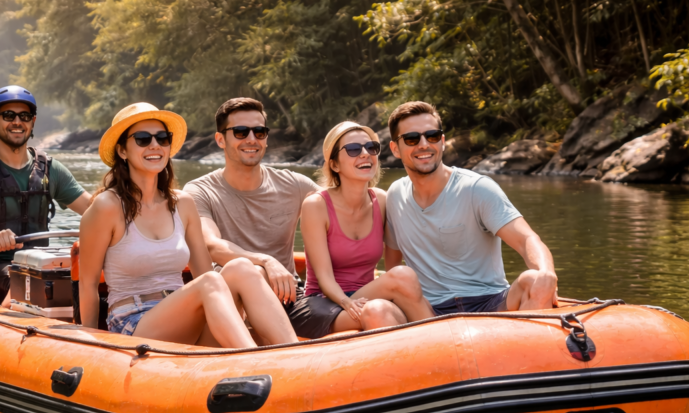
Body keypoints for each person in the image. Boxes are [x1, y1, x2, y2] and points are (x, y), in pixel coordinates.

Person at [78, 103, 296, 347]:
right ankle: (253, 359)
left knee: (242, 268)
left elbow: (204, 273)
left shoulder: (182, 203)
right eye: (142, 139)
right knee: (211, 282)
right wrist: (90, 344)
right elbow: (87, 285)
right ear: (122, 151)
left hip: (186, 318)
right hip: (134, 324)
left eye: (162, 138)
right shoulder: (106, 206)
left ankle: (293, 355)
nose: (155, 146)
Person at [384, 101, 558, 313]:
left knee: (533, 279)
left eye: (432, 136)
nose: (423, 145)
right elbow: (393, 263)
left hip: (490, 302)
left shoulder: (477, 189)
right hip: (428, 311)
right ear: (395, 148)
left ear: (443, 142)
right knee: (379, 310)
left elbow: (526, 240)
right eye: (412, 138)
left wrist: (546, 272)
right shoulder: (395, 195)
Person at [0, 85, 92, 305]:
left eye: (24, 116)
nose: (17, 122)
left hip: (41, 265)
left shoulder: (50, 170)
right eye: (8, 115)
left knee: (77, 280)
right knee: (26, 280)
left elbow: (95, 210)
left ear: (32, 122)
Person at [290, 121, 434, 338]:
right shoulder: (316, 206)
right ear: (335, 165)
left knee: (391, 294)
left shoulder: (382, 200)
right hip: (323, 301)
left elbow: (399, 258)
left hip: (367, 295)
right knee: (383, 301)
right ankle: (441, 338)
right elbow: (324, 278)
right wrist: (347, 302)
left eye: (371, 148)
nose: (365, 154)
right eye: (354, 150)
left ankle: (441, 345)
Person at [184, 98, 317, 322]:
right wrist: (266, 260)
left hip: (289, 298)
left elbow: (337, 211)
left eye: (259, 132)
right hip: (231, 304)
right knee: (255, 272)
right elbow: (211, 245)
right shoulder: (200, 190)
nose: (251, 139)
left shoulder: (296, 185)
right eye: (240, 132)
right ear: (220, 139)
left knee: (361, 318)